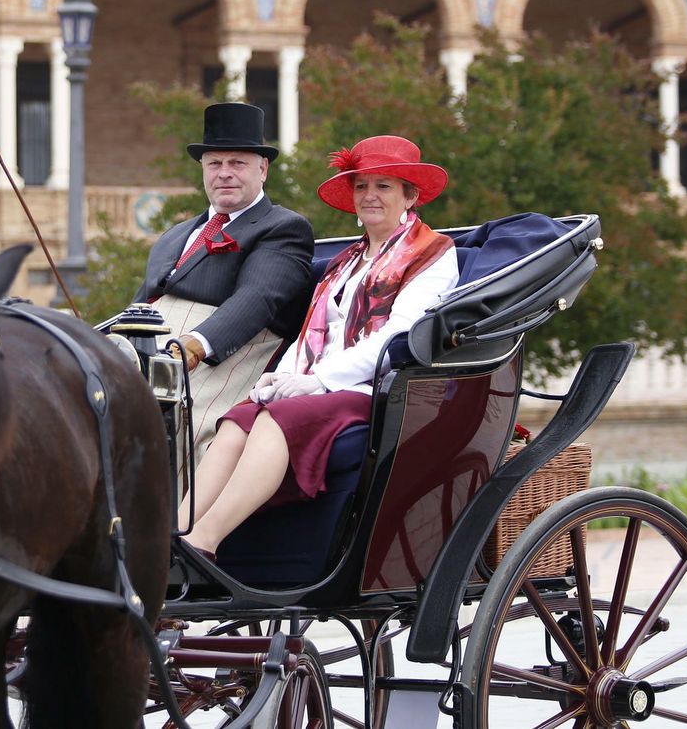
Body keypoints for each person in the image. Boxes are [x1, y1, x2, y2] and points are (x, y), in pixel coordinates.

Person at [181, 134, 459, 557]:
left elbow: (397, 335)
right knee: (239, 418)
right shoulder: (346, 261)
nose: (369, 196)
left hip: (379, 389)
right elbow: (315, 330)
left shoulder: (435, 253)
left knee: (277, 418)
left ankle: (204, 543)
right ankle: (177, 534)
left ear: (410, 196)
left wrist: (320, 382)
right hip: (319, 386)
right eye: (362, 186)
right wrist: (283, 375)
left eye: (383, 186)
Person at [134, 102, 315, 455]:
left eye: (238, 163)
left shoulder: (282, 227)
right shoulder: (175, 235)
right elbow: (140, 305)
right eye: (215, 163)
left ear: (263, 169)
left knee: (162, 428)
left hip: (217, 359)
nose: (224, 173)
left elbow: (257, 298)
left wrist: (193, 346)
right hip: (147, 352)